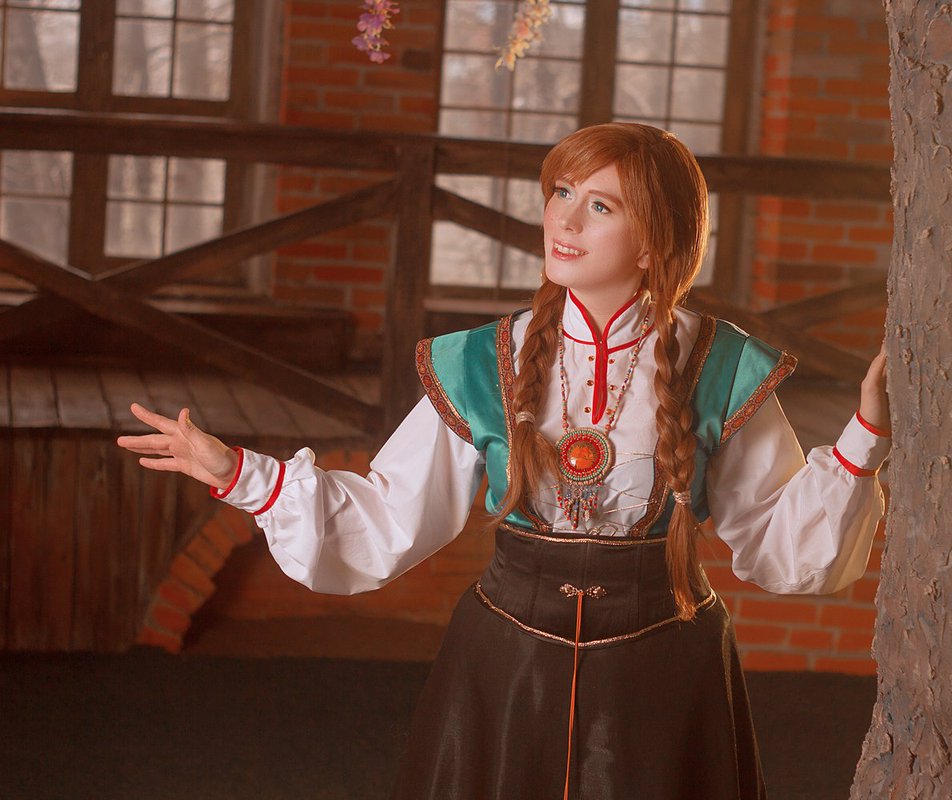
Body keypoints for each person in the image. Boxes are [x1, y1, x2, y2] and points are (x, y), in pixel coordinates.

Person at [117, 122, 891, 800]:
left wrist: (865, 432)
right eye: (562, 192)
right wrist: (239, 474)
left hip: (664, 678)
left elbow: (782, 544)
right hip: (504, 669)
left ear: (656, 238)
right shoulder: (483, 361)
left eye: (601, 206)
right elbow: (388, 518)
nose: (565, 219)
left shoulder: (723, 366)